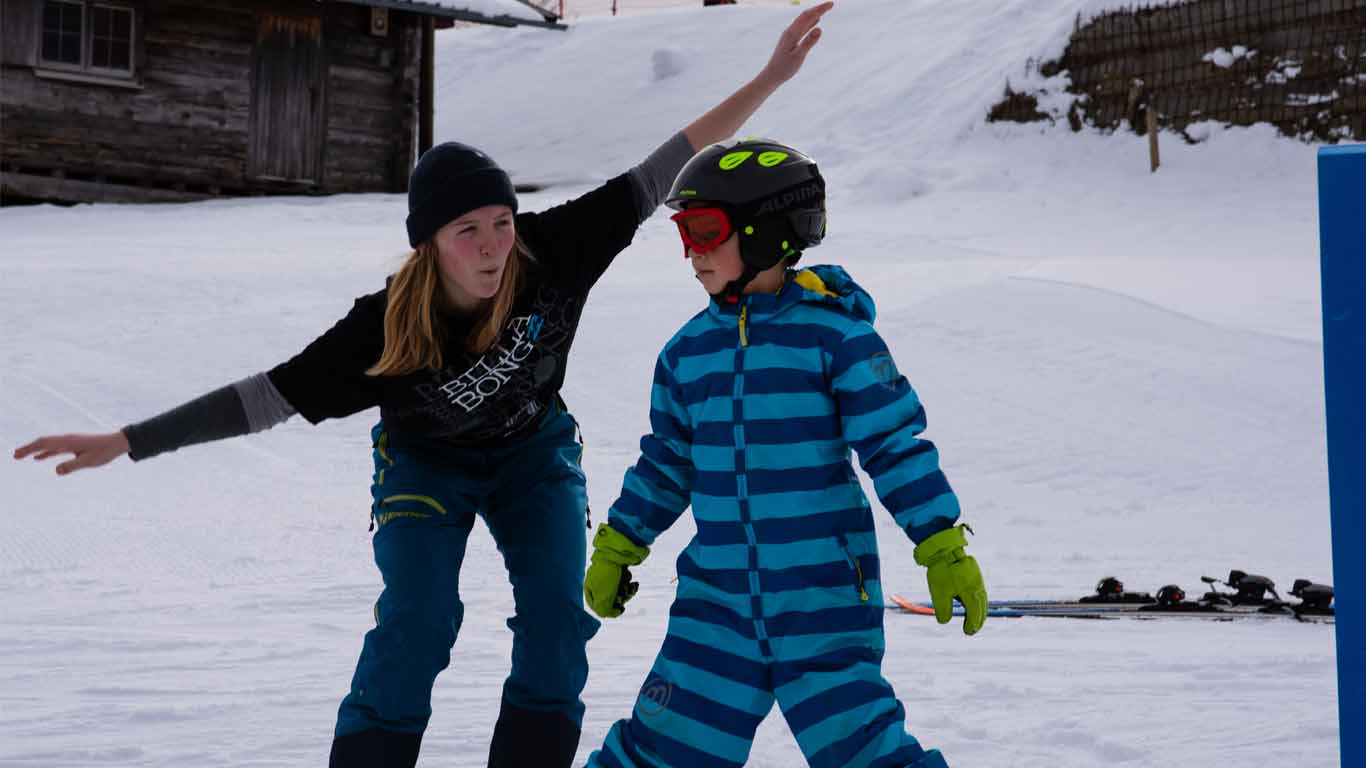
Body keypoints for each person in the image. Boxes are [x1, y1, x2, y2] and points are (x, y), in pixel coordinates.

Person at [10, 5, 834, 766]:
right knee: (420, 619)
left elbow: (667, 165)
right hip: (425, 468)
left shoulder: (557, 247)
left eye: (501, 223)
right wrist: (126, 439)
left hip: (534, 457)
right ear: (429, 243)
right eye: (466, 231)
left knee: (555, 622)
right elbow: (265, 398)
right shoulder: (383, 326)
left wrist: (771, 78)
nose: (491, 247)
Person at [580, 138, 988, 768]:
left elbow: (894, 445)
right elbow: (666, 463)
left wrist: (940, 542)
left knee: (866, 755)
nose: (693, 253)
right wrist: (619, 544)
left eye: (706, 231)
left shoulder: (836, 339)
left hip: (822, 603)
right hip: (715, 607)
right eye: (683, 234)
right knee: (659, 752)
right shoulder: (687, 355)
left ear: (767, 232)